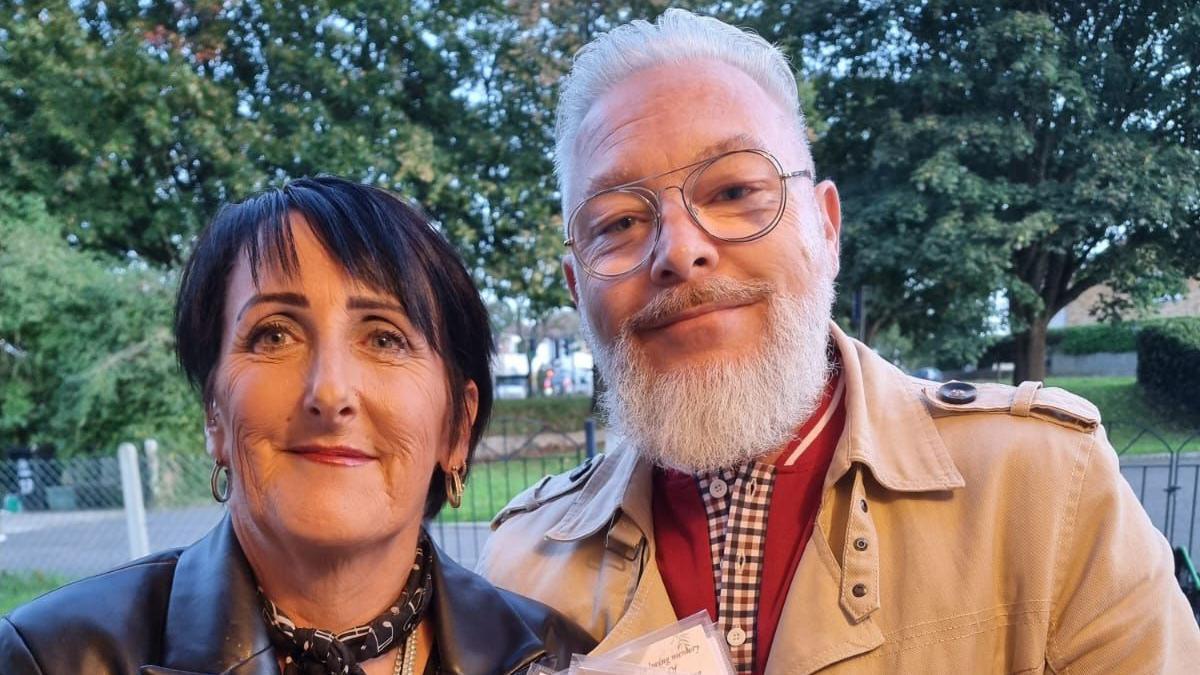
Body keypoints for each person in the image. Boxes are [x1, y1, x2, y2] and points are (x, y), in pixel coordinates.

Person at [477, 9, 1200, 674]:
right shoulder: (521, 565)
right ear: (577, 285)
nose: (680, 250)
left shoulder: (1049, 491)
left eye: (733, 192)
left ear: (825, 227)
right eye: (618, 222)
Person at [0, 177, 594, 674]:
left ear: (456, 429)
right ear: (214, 413)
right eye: (274, 334)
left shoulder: (564, 661)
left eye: (384, 337)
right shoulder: (52, 657)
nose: (329, 392)